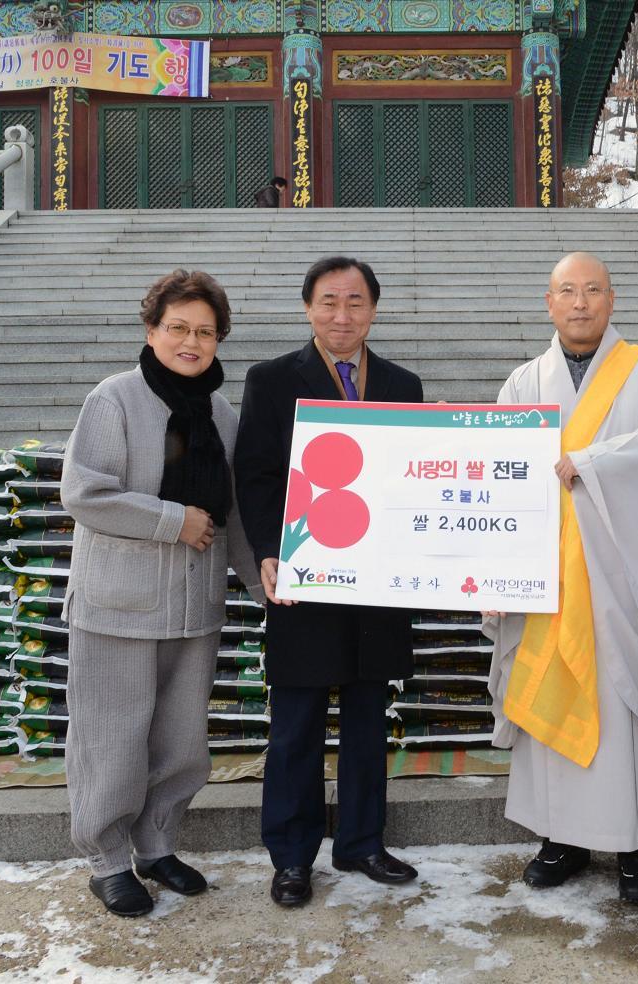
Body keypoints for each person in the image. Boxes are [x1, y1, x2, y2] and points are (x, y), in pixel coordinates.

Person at [484, 252, 638, 904]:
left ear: (611, 300)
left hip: (624, 584)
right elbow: (495, 478)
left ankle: (636, 847)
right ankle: (558, 838)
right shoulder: (524, 383)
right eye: (566, 291)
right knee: (550, 709)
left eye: (591, 291)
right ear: (548, 302)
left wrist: (589, 463)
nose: (580, 303)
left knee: (623, 718)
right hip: (547, 584)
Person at [62, 269, 262, 918]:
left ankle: (155, 845)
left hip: (192, 612)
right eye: (177, 328)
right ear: (151, 331)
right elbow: (85, 493)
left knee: (180, 743)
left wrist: (264, 585)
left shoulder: (221, 413)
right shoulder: (115, 400)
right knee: (112, 739)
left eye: (205, 332)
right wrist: (174, 520)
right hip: (118, 608)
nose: (190, 341)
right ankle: (108, 860)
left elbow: (230, 515)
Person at [234, 255, 424, 908]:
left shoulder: (402, 384)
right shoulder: (271, 380)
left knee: (369, 716)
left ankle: (362, 843)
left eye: (354, 302)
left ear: (373, 308)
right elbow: (254, 474)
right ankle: (291, 857)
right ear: (307, 307)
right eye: (327, 301)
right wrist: (266, 549)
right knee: (297, 723)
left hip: (377, 583)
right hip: (305, 575)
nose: (341, 315)